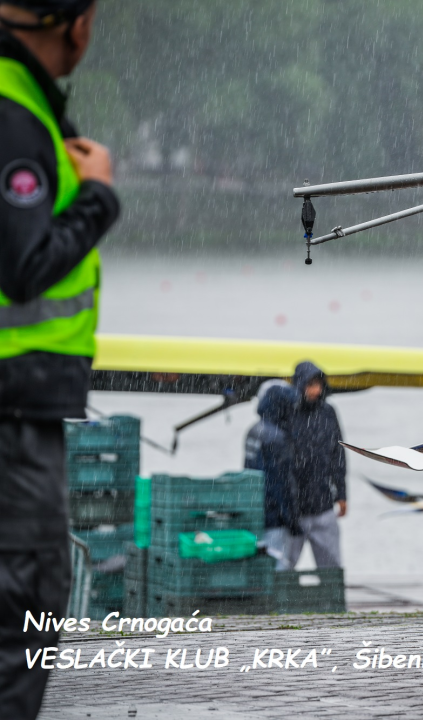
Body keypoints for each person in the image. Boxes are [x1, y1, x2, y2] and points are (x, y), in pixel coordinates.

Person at [0, 2, 118, 717]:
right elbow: (24, 266)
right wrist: (99, 198)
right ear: (76, 24)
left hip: (20, 406)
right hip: (12, 414)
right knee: (27, 609)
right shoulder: (15, 112)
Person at [287, 361, 346, 568]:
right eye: (310, 385)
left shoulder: (328, 412)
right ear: (300, 385)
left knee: (332, 567)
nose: (316, 390)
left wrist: (341, 493)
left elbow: (338, 455)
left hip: (323, 506)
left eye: (319, 385)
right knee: (283, 568)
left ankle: (331, 599)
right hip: (293, 511)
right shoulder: (287, 412)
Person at [244, 380, 302, 571]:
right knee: (277, 567)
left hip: (254, 511)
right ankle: (274, 600)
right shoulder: (277, 438)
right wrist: (292, 520)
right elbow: (281, 484)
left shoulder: (254, 430)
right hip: (274, 517)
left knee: (258, 567)